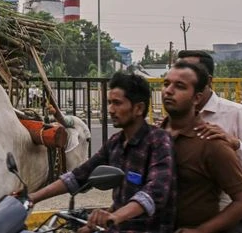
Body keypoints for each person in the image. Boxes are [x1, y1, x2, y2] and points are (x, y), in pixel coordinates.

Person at [28, 71, 176, 233]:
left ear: (138, 108)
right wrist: (33, 197)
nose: (111, 109)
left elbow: (154, 192)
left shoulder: (158, 140)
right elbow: (79, 175)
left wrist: (115, 216)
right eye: (110, 103)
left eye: (117, 103)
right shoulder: (115, 143)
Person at [177, 50, 242, 233]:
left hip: (240, 218)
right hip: (190, 216)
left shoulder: (236, 114)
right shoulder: (172, 122)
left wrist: (236, 145)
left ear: (208, 81)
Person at [161, 62, 242, 233]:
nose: (169, 91)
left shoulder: (211, 143)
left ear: (197, 98)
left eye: (179, 86)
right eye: (166, 84)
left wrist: (201, 231)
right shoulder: (153, 139)